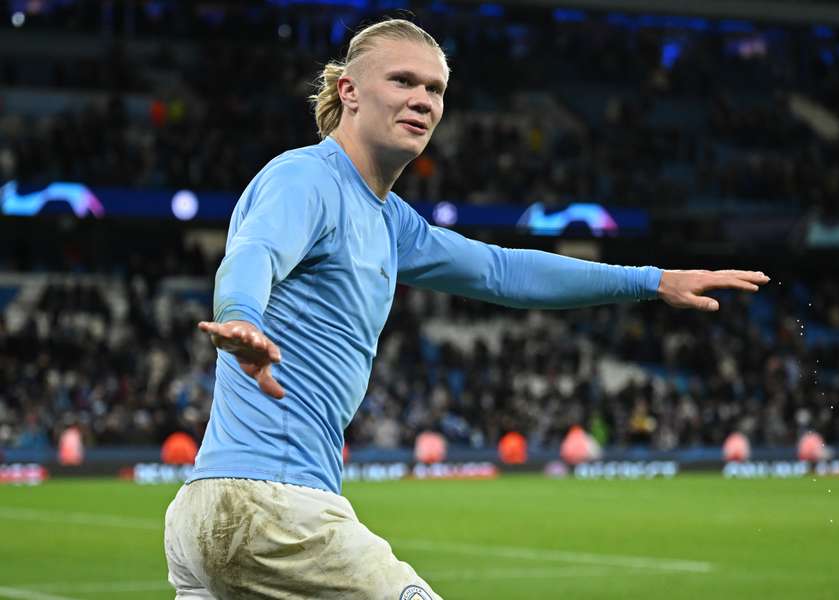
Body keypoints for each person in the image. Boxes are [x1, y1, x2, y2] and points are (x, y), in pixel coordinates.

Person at [163, 18, 769, 600]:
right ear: (348, 90)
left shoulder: (389, 220)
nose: (422, 99)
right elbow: (255, 252)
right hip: (272, 508)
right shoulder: (307, 179)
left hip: (214, 511)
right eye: (402, 81)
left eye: (435, 89)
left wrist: (653, 279)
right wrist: (241, 315)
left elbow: (505, 271)